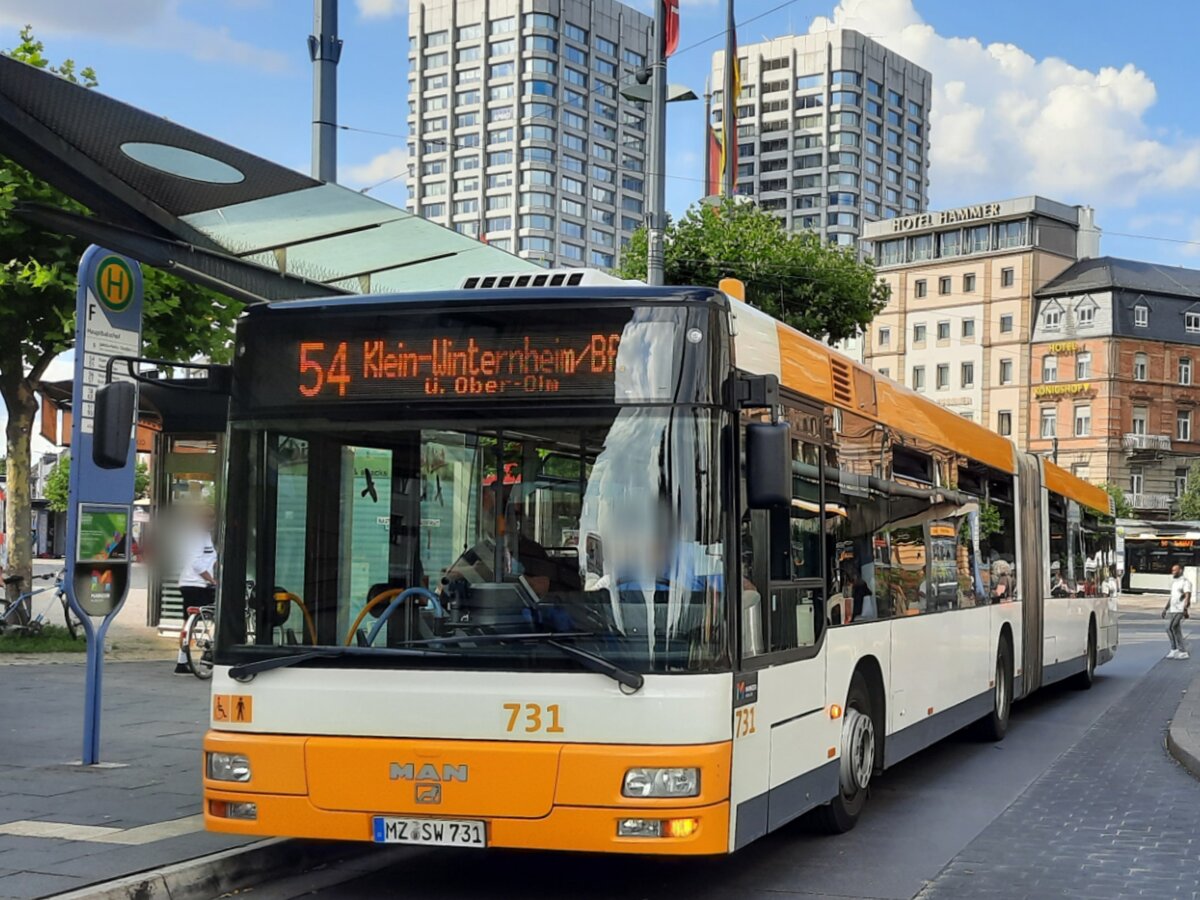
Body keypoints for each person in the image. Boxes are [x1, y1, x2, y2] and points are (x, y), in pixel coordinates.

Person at [175, 506, 218, 675]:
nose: (212, 520)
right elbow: (196, 563)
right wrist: (212, 579)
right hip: (196, 584)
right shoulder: (197, 536)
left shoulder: (204, 535)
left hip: (193, 583)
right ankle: (208, 651)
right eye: (209, 517)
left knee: (189, 623)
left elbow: (208, 559)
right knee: (215, 618)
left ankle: (182, 661)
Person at [1162, 563, 1192, 660]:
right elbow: (1172, 597)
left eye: (1175, 570)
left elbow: (1187, 595)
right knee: (1174, 629)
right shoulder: (1175, 583)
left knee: (1171, 627)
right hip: (1172, 609)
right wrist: (1165, 608)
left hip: (1180, 609)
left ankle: (1181, 650)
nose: (1173, 572)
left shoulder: (1185, 582)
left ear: (1181, 570)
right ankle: (1175, 649)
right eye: (1172, 570)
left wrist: (1185, 609)